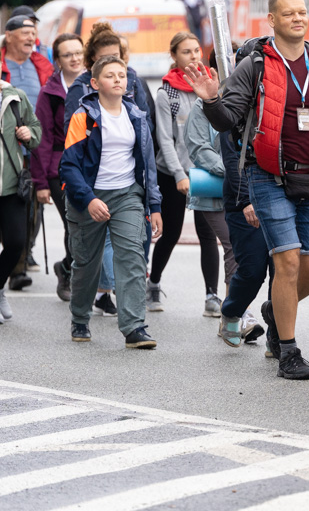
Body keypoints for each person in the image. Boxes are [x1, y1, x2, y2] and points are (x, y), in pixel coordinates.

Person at [186, 0, 309, 380]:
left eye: (302, 12)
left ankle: (276, 308)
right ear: (271, 20)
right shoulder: (255, 65)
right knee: (286, 260)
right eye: (289, 13)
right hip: (268, 177)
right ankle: (288, 350)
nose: (298, 18)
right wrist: (211, 101)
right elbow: (229, 124)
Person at [61, 56, 163, 346]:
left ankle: (134, 327)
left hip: (127, 195)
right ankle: (80, 318)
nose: (118, 79)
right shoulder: (85, 116)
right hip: (88, 197)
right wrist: (89, 199)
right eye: (110, 75)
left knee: (132, 256)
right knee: (86, 263)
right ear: (95, 83)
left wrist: (154, 206)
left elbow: (148, 166)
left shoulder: (137, 116)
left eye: (122, 75)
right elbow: (68, 166)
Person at [184, 47, 264, 345]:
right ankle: (239, 315)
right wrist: (231, 171)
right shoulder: (202, 107)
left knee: (246, 252)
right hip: (216, 192)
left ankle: (239, 311)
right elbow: (199, 149)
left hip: (249, 188)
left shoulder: (256, 103)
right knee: (232, 246)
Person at [148, 32, 225, 317]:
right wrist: (179, 175)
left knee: (209, 233)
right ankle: (153, 283)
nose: (193, 56)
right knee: (171, 231)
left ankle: (212, 296)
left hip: (205, 170)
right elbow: (165, 139)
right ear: (174, 56)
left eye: (196, 51)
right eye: (186, 52)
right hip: (172, 173)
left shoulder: (210, 84)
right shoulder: (166, 92)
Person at [31, 33, 86, 302]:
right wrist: (40, 183)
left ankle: (66, 266)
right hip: (59, 169)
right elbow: (40, 140)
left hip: (92, 166)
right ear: (58, 60)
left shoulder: (95, 83)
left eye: (78, 52)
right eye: (68, 54)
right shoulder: (49, 92)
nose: (75, 58)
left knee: (87, 226)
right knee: (73, 225)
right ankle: (70, 274)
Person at [1, 15, 54, 290]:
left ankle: (21, 257)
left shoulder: (42, 64)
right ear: (8, 35)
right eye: (24, 32)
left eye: (33, 32)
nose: (31, 37)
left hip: (37, 144)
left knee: (33, 205)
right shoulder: (1, 64)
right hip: (7, 151)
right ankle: (16, 267)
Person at [0, 78, 41, 324]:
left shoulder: (15, 96)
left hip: (12, 184)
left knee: (16, 243)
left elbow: (35, 130)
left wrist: (29, 133)